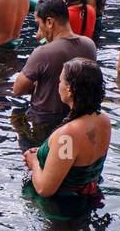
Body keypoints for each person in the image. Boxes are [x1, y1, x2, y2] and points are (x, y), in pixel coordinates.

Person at [22, 59, 111, 220]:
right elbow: (75, 158)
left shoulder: (67, 137)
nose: (58, 84)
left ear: (69, 89)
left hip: (60, 211)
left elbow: (45, 189)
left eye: (60, 81)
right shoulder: (103, 120)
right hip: (86, 202)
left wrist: (34, 161)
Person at [14, 0, 97, 124]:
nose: (38, 32)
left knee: (15, 118)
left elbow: (18, 89)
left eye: (39, 24)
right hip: (77, 117)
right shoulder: (89, 45)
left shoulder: (43, 53)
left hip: (45, 119)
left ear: (49, 22)